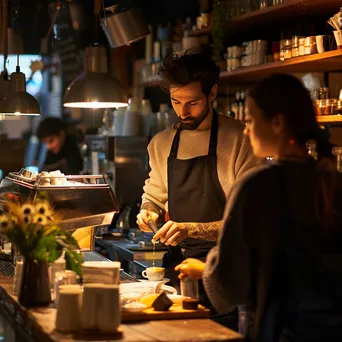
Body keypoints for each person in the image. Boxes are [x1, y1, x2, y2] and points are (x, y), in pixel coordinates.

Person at [175, 74, 342, 341]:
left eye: (251, 120)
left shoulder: (257, 184)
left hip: (276, 330)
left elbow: (231, 282)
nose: (246, 129)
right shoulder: (331, 180)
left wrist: (204, 269)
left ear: (277, 123)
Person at [136, 50, 256, 327]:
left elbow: (248, 222)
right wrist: (148, 211)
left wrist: (191, 228)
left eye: (192, 102)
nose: (183, 112)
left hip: (224, 271)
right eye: (176, 102)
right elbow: (153, 194)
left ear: (212, 93)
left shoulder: (240, 140)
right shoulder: (161, 143)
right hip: (177, 270)